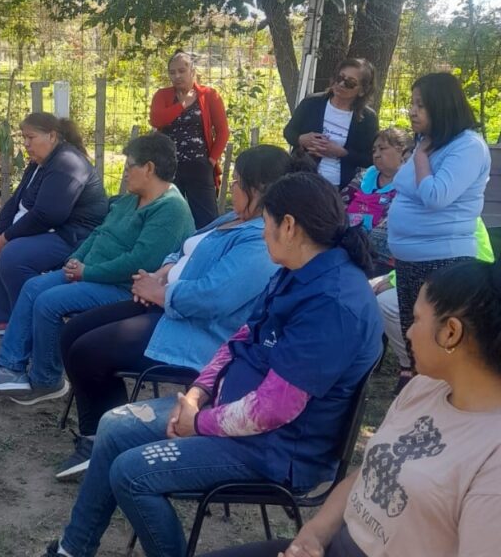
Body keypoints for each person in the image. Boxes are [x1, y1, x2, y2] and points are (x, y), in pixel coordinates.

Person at [40, 173, 384, 557]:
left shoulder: (333, 304)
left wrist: (199, 422)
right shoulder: (296, 270)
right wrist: (197, 393)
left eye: (265, 222)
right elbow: (240, 338)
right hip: (230, 413)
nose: (262, 232)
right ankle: (73, 549)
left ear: (288, 226)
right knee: (115, 425)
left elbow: (274, 409)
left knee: (131, 473)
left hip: (275, 449)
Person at [201, 259, 501, 557]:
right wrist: (314, 535)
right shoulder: (424, 389)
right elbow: (368, 472)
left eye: (417, 319)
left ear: (451, 332)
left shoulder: (492, 454)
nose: (408, 332)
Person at [54, 145, 293, 481]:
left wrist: (161, 292)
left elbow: (214, 297)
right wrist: (162, 273)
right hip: (166, 307)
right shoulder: (232, 218)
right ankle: (102, 434)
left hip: (195, 331)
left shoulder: (259, 241)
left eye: (238, 181)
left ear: (260, 189)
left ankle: (103, 443)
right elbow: (183, 247)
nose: (231, 187)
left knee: (89, 351)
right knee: (73, 332)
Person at [0, 133, 194, 404]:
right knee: (33, 287)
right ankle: (10, 368)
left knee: (48, 302)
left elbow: (139, 262)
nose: (125, 172)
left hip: (126, 289)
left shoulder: (170, 209)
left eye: (129, 165)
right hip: (93, 275)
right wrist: (74, 260)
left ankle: (46, 380)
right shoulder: (130, 200)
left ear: (149, 168)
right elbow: (99, 232)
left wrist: (86, 272)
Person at [387, 72, 490, 393]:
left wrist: (420, 157)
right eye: (412, 103)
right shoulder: (431, 142)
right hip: (411, 260)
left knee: (440, 342)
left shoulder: (468, 147)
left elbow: (436, 196)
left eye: (421, 105)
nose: (412, 111)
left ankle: (445, 401)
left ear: (442, 105)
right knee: (416, 337)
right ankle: (421, 397)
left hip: (442, 261)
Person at [0, 112, 109, 336]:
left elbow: (49, 215)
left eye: (31, 137)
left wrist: (7, 238)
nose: (26, 144)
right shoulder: (38, 163)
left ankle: (31, 322)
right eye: (24, 138)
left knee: (13, 256)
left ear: (52, 136)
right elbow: (15, 201)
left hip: (76, 236)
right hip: (53, 231)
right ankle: (4, 319)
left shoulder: (67, 163)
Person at [373, 218, 494, 378]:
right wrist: (393, 278)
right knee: (373, 291)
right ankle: (409, 363)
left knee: (388, 303)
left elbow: (448, 264)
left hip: (461, 286)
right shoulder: (422, 215)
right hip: (426, 277)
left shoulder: (453, 217)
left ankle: (415, 364)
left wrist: (395, 281)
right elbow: (416, 258)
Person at [149, 50, 230, 229]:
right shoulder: (163, 95)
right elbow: (156, 119)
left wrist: (211, 159)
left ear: (192, 71)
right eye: (172, 72)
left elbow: (223, 131)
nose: (177, 76)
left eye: (182, 71)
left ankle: (205, 246)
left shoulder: (209, 95)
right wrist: (183, 104)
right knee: (169, 216)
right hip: (168, 166)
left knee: (206, 218)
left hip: (199, 165)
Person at [284, 58, 379, 189]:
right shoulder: (311, 103)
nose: (341, 84)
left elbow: (369, 158)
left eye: (350, 83)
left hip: (341, 187)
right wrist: (301, 139)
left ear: (362, 90)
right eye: (339, 78)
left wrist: (342, 153)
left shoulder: (367, 118)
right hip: (302, 179)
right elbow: (289, 132)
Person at [340, 127, 412, 275]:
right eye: (374, 150)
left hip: (380, 259)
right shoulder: (365, 176)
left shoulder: (409, 185)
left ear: (402, 151)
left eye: (382, 149)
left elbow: (392, 223)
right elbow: (340, 204)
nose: (376, 154)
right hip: (347, 246)